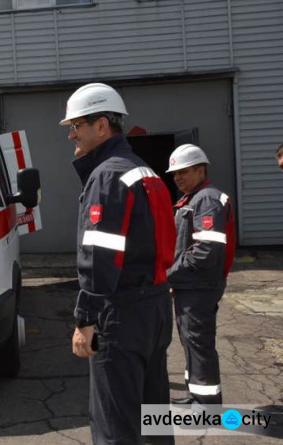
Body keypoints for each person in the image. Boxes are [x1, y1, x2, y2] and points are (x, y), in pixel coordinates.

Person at [62, 83, 176, 444]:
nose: (70, 135)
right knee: (154, 420)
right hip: (155, 309)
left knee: (115, 427)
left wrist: (86, 319)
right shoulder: (145, 171)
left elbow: (99, 256)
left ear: (101, 126)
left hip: (122, 314)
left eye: (76, 125)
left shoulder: (107, 175)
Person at [165, 144, 236, 406]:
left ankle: (207, 406)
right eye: (174, 174)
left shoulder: (205, 199)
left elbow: (205, 252)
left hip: (199, 287)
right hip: (191, 285)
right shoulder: (194, 200)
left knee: (198, 342)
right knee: (192, 342)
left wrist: (170, 274)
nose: (178, 178)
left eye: (183, 172)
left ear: (200, 170)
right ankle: (196, 396)